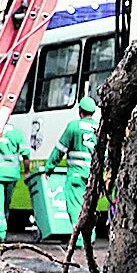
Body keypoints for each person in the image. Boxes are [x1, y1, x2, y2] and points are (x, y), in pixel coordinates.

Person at [48, 96, 98, 228]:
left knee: (76, 207)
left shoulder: (73, 127)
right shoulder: (98, 128)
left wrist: (49, 168)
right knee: (89, 208)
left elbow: (60, 150)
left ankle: (80, 239)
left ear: (80, 111)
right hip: (93, 176)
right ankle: (90, 238)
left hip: (76, 176)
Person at [0, 123, 30, 242]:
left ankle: (1, 234)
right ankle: (3, 228)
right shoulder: (16, 132)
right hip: (12, 175)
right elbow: (26, 154)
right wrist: (26, 171)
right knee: (6, 204)